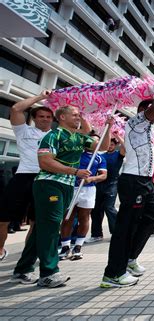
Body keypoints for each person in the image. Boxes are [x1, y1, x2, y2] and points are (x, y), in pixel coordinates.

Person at [10, 106, 111, 287]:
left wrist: (109, 127)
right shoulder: (53, 136)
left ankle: (22, 269)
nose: (78, 117)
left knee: (43, 227)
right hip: (49, 184)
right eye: (74, 114)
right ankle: (49, 273)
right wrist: (75, 171)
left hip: (66, 185)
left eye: (79, 114)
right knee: (51, 227)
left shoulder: (79, 138)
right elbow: (45, 161)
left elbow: (103, 147)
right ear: (62, 117)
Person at [100, 84, 154, 288]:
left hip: (145, 181)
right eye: (149, 111)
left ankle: (129, 259)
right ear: (143, 112)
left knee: (152, 217)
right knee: (125, 227)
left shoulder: (148, 130)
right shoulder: (136, 122)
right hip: (133, 180)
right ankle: (113, 274)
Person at [0, 91, 54, 262]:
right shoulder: (24, 131)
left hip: (45, 179)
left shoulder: (56, 137)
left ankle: (27, 257)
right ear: (34, 118)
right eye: (41, 116)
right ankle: (0, 250)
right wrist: (40, 97)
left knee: (36, 222)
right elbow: (16, 108)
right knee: (3, 219)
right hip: (23, 177)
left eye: (48, 117)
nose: (45, 119)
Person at [59, 134, 108, 260]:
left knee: (84, 218)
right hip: (71, 188)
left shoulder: (99, 158)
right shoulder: (76, 153)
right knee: (67, 218)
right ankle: (65, 247)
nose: (94, 143)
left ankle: (78, 247)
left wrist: (92, 178)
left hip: (89, 190)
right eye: (91, 141)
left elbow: (103, 175)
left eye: (97, 141)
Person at [87, 136, 125, 243]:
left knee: (109, 207)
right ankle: (96, 234)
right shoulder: (100, 155)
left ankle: (117, 232)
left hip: (112, 184)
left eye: (112, 144)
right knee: (96, 210)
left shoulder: (118, 155)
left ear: (115, 145)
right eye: (108, 144)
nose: (110, 146)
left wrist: (118, 137)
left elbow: (125, 148)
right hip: (99, 184)